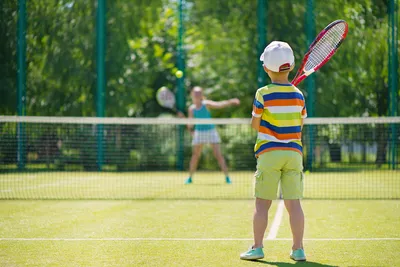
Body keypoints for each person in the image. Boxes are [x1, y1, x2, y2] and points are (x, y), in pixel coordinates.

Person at [240, 41, 307, 261]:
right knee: (294, 204)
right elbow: (300, 124)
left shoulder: (262, 93)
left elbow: (255, 124)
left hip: (269, 153)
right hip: (293, 154)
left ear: (266, 68)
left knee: (262, 204)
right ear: (291, 65)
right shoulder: (299, 95)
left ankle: (257, 247)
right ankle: (298, 250)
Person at [184, 86, 240, 184]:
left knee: (218, 155)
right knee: (195, 156)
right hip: (199, 133)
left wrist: (230, 101)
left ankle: (227, 178)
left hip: (210, 131)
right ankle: (190, 178)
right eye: (195, 93)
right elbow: (190, 124)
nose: (197, 95)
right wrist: (191, 131)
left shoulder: (206, 104)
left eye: (199, 93)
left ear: (201, 95)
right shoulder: (191, 109)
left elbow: (219, 105)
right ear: (192, 95)